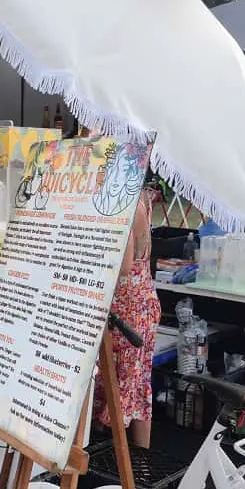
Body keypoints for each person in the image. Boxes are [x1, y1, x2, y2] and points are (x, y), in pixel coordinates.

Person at [94, 173, 161, 449]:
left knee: (125, 385)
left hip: (131, 312)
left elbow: (123, 265)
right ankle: (136, 467)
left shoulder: (129, 205)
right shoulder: (136, 199)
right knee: (134, 384)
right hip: (135, 305)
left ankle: (125, 469)